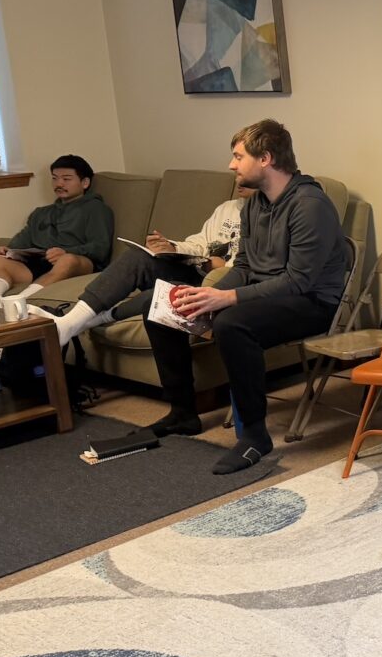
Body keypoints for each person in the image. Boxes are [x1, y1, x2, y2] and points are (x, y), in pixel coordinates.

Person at [145, 120, 349, 475]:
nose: (231, 165)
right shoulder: (255, 205)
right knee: (167, 306)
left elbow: (298, 281)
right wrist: (208, 294)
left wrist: (227, 299)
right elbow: (243, 265)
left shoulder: (309, 205)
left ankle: (255, 436)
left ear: (265, 158)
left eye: (239, 157)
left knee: (232, 324)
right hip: (267, 294)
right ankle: (182, 412)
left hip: (312, 302)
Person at [32, 180, 253, 346]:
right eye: (235, 172)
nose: (237, 178)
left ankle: (84, 321)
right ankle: (71, 321)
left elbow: (256, 267)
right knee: (137, 257)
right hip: (198, 270)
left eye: (241, 166)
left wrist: (221, 268)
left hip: (219, 286)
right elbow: (199, 243)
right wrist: (172, 247)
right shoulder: (227, 208)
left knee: (159, 295)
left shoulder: (265, 215)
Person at [0, 155, 114, 300]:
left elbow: (100, 248)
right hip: (39, 264)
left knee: (67, 260)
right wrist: (8, 250)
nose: (59, 184)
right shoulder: (41, 213)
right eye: (54, 178)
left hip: (77, 263)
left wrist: (66, 252)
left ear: (85, 182)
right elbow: (23, 239)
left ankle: (21, 300)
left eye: (66, 179)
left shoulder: (96, 209)